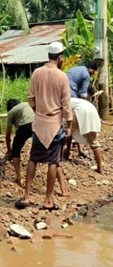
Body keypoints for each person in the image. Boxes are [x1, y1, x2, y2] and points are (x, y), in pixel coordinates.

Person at [17, 42, 72, 211]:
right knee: (53, 161)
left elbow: (30, 98)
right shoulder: (62, 77)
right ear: (60, 57)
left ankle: (26, 196)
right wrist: (69, 125)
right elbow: (66, 105)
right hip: (54, 124)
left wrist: (38, 111)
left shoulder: (37, 73)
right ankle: (47, 200)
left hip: (39, 124)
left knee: (33, 158)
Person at [66, 98, 104, 174]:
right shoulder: (73, 100)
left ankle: (63, 155)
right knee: (94, 142)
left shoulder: (61, 103)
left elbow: (68, 133)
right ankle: (100, 169)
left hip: (79, 110)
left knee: (65, 132)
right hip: (92, 110)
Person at [4, 99, 34, 186]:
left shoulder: (11, 112)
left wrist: (10, 151)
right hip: (38, 123)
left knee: (16, 150)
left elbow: (7, 135)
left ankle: (18, 177)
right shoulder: (26, 104)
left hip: (25, 125)